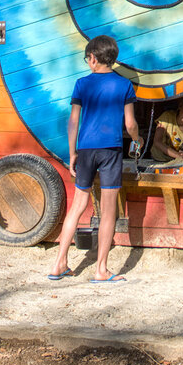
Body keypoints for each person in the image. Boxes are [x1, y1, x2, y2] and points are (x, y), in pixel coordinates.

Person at [48, 35, 141, 283]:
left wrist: (72, 153)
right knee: (109, 212)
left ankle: (59, 264)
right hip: (111, 149)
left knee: (78, 206)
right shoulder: (124, 85)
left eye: (86, 58)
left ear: (93, 58)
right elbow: (130, 124)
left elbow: (73, 121)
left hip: (86, 149)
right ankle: (101, 270)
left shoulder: (82, 84)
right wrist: (138, 139)